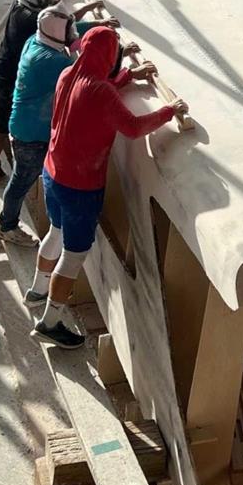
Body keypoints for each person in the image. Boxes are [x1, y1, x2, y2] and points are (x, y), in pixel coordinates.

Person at [29, 25, 188, 348]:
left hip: (53, 172)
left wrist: (128, 76)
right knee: (74, 255)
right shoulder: (100, 91)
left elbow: (94, 92)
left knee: (55, 233)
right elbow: (131, 127)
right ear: (109, 56)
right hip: (79, 185)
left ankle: (37, 290)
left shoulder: (68, 74)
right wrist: (169, 111)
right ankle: (49, 322)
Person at [0, 0, 134, 247]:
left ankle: (10, 223)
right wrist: (127, 75)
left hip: (23, 125)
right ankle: (7, 226)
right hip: (32, 135)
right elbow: (90, 86)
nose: (74, 33)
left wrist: (98, 26)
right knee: (22, 180)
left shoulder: (36, 40)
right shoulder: (55, 62)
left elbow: (71, 30)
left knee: (23, 177)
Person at [0, 0, 99, 181]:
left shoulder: (22, 1)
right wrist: (95, 23)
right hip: (6, 78)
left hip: (4, 68)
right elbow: (66, 27)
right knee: (3, 121)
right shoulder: (33, 19)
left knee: (9, 117)